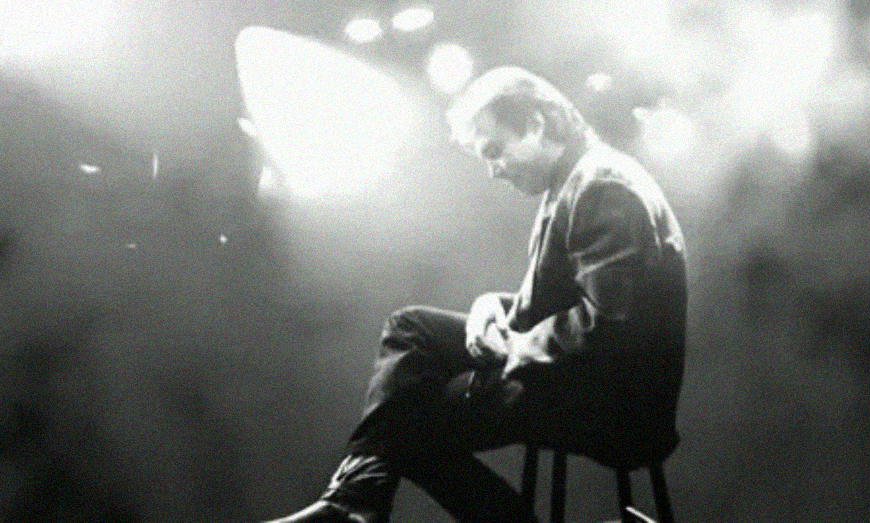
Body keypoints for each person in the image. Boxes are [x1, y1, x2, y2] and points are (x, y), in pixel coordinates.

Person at [264, 66, 687, 523]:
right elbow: (570, 302)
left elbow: (611, 327)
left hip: (613, 405)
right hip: (581, 379)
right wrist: (492, 306)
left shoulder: (603, 186)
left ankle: (357, 503)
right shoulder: (577, 179)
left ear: (536, 125)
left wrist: (513, 348)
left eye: (495, 151)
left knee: (405, 420)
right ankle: (356, 499)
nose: (493, 171)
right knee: (411, 328)